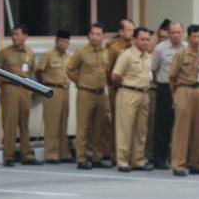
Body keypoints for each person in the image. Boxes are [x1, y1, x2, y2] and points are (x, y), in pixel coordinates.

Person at [169, 24, 199, 176]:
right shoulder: (181, 54)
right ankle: (178, 164)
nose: (197, 40)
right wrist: (175, 95)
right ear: (188, 37)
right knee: (182, 129)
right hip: (183, 89)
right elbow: (172, 76)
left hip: (198, 89)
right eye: (194, 36)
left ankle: (196, 163)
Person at [68, 22, 111, 169]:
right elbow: (70, 70)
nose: (95, 37)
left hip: (101, 94)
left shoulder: (106, 52)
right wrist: (80, 83)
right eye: (93, 34)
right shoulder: (81, 52)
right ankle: (81, 158)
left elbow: (108, 72)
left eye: (98, 34)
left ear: (103, 36)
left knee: (99, 126)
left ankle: (97, 157)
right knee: (83, 127)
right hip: (86, 93)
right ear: (88, 35)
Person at [111, 26, 153, 171]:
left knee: (141, 130)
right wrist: (124, 86)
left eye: (148, 39)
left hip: (144, 94)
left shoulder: (148, 56)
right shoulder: (127, 55)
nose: (145, 42)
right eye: (142, 39)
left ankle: (138, 160)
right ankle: (122, 161)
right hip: (128, 92)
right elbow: (115, 75)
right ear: (135, 39)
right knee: (125, 128)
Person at [0, 24, 37, 165]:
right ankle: (8, 156)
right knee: (10, 123)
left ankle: (27, 155)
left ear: (25, 36)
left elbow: (31, 71)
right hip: (10, 89)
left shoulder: (30, 53)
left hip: (25, 89)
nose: (14, 37)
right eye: (13, 34)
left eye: (17, 34)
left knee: (24, 123)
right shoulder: (4, 53)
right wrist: (6, 87)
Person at [151, 20, 183, 168]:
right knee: (163, 125)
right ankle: (159, 159)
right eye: (173, 32)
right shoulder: (160, 48)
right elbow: (153, 69)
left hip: (183, 89)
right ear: (168, 34)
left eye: (178, 32)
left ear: (182, 33)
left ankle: (179, 158)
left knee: (181, 124)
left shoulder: (187, 48)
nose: (176, 35)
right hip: (164, 88)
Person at [36, 29, 71, 163]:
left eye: (67, 42)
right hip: (52, 89)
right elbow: (39, 71)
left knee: (63, 122)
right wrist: (44, 85)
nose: (64, 44)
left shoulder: (69, 56)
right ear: (57, 41)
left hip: (65, 90)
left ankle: (64, 153)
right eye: (62, 41)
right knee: (52, 123)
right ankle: (51, 153)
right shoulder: (48, 55)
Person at [105, 18, 136, 164]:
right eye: (128, 30)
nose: (131, 33)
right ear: (121, 32)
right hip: (117, 88)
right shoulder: (114, 48)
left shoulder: (135, 47)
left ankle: (130, 154)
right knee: (117, 122)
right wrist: (112, 86)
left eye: (132, 30)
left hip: (133, 89)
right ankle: (114, 154)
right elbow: (109, 69)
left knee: (131, 123)